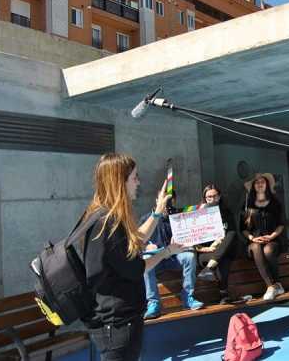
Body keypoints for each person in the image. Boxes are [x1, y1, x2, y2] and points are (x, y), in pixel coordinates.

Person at [82, 153, 185, 361]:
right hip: (118, 325)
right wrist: (166, 252)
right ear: (120, 181)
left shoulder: (103, 215)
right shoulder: (109, 223)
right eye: (134, 177)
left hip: (115, 321)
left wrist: (157, 212)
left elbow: (134, 240)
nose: (138, 182)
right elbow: (138, 268)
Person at [142, 191, 207, 319]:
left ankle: (188, 297)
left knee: (189, 257)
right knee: (145, 258)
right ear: (157, 200)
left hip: (174, 258)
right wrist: (146, 247)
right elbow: (136, 242)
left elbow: (192, 233)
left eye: (170, 201)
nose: (167, 204)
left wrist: (204, 209)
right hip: (155, 260)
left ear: (174, 201)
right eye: (164, 200)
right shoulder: (147, 219)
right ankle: (153, 303)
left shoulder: (180, 216)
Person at [240, 173, 285, 301]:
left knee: (268, 250)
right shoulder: (247, 205)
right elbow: (243, 229)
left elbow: (281, 225)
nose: (260, 184)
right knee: (256, 247)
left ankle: (278, 284)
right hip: (253, 243)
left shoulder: (275, 203)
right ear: (254, 186)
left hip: (272, 241)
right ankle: (271, 286)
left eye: (262, 182)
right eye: (257, 182)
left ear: (267, 185)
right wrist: (252, 238)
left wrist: (271, 236)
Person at [196, 184, 238, 304]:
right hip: (205, 253)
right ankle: (224, 293)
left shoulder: (226, 213)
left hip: (224, 249)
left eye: (215, 196)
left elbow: (231, 234)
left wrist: (218, 243)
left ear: (219, 197)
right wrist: (204, 248)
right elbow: (192, 238)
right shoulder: (198, 214)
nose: (212, 199)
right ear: (205, 198)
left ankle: (210, 267)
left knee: (231, 234)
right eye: (209, 197)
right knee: (222, 259)